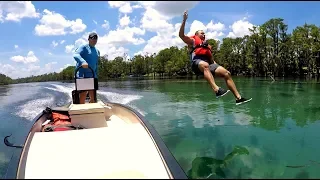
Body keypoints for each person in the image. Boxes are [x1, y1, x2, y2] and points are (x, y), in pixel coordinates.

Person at [179, 10, 252, 105]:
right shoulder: (192, 41)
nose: (204, 34)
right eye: (202, 33)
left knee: (226, 73)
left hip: (207, 65)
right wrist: (184, 20)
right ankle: (217, 90)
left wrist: (218, 67)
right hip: (196, 64)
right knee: (205, 64)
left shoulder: (207, 47)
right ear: (196, 35)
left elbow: (212, 61)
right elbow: (181, 35)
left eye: (204, 33)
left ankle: (238, 98)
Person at [73, 32, 100, 104]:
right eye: (92, 38)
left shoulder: (97, 51)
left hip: (92, 73)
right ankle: (82, 108)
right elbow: (76, 55)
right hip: (82, 73)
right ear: (88, 39)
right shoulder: (83, 47)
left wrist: (96, 74)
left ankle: (93, 108)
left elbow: (96, 64)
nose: (94, 40)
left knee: (93, 94)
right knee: (83, 93)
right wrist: (83, 62)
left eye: (96, 39)